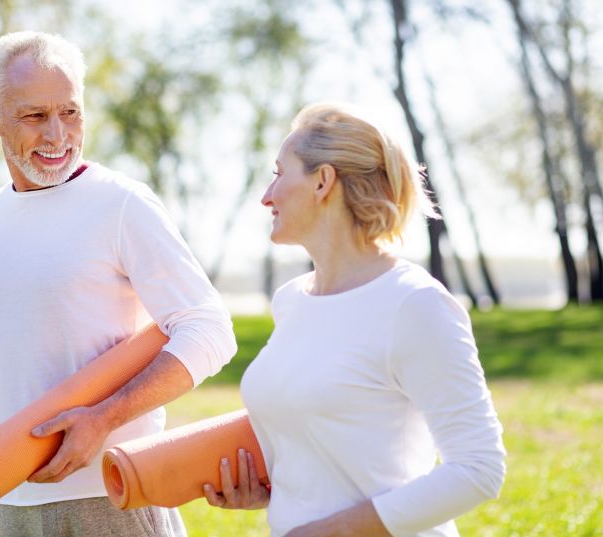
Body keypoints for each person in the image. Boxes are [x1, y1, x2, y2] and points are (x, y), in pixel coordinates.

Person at [0, 31, 237, 537]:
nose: (57, 136)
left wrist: (104, 417)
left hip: (116, 497)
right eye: (34, 116)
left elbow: (209, 329)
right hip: (7, 503)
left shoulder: (121, 204)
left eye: (70, 112)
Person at [203, 102, 506, 536]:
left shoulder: (415, 305)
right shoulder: (291, 301)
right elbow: (331, 447)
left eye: (278, 173)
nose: (266, 196)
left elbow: (479, 469)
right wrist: (275, 491)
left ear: (323, 181)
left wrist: (330, 532)